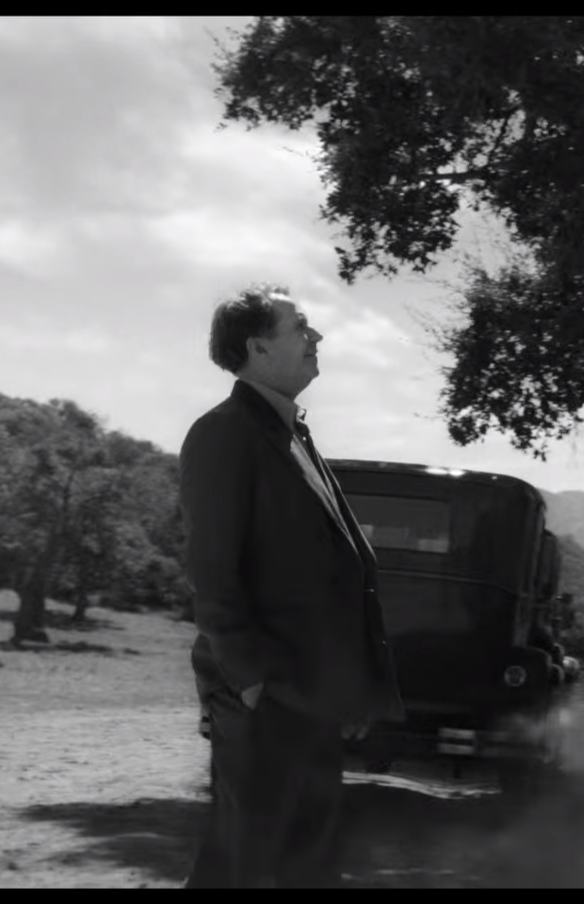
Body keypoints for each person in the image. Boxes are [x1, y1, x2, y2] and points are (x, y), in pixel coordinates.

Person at [180, 284, 405, 887]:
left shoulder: (291, 432)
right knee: (249, 868)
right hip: (267, 702)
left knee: (291, 866)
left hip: (310, 699)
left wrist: (349, 688)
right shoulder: (224, 433)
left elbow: (331, 570)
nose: (316, 336)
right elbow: (212, 572)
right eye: (300, 326)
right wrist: (252, 682)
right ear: (258, 348)